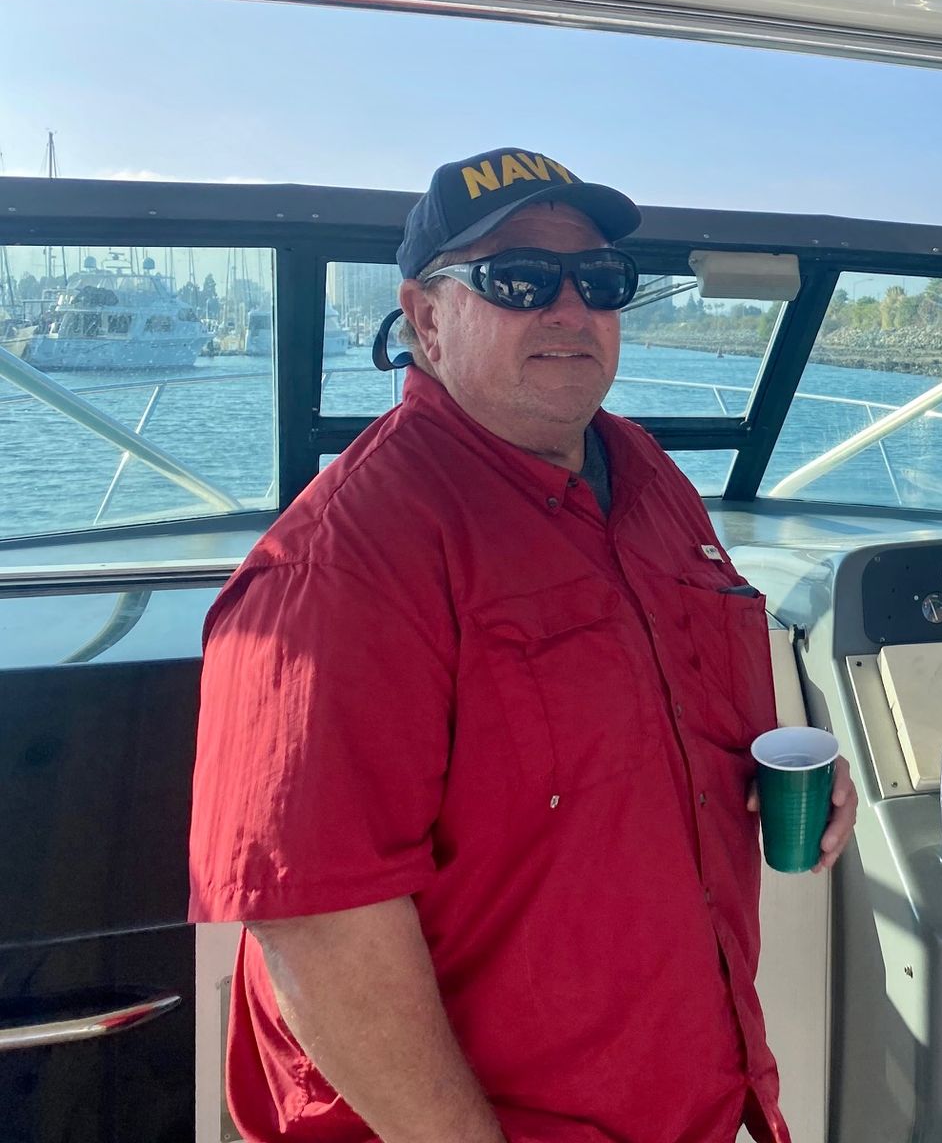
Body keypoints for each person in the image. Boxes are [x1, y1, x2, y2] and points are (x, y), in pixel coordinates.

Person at [189, 147, 856, 1143]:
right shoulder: (338, 567)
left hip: (700, 1102)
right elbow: (316, 927)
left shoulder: (643, 473)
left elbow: (674, 712)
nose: (570, 310)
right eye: (519, 281)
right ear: (424, 318)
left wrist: (774, 774)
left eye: (600, 281)